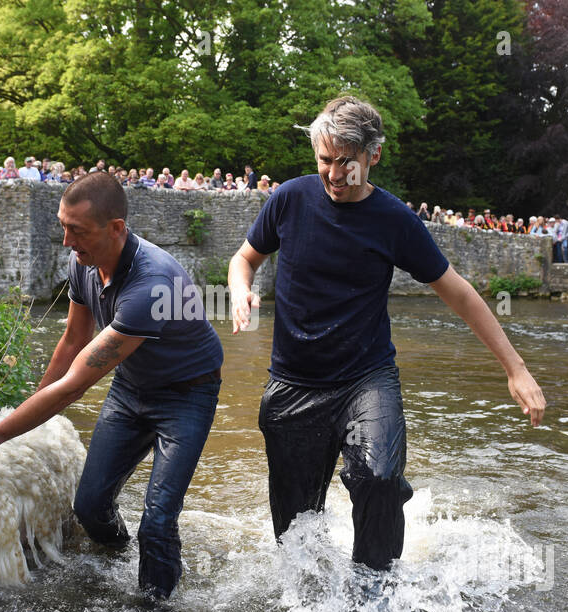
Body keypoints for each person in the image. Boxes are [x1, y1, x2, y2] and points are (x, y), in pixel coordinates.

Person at [227, 95, 545, 578]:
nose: (334, 174)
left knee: (377, 478)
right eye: (324, 161)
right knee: (294, 531)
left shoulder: (395, 220)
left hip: (365, 379)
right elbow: (244, 258)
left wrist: (515, 368)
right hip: (294, 383)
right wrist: (239, 290)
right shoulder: (289, 199)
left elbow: (458, 293)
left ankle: (374, 595)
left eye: (346, 163)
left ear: (373, 155)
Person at [0, 173, 223, 600]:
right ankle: (120, 558)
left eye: (79, 231)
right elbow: (73, 340)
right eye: (63, 226)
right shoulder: (84, 262)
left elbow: (75, 386)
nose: (68, 242)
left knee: (158, 519)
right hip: (132, 389)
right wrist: (23, 415)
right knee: (89, 507)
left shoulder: (152, 284)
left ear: (116, 229)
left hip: (187, 395)